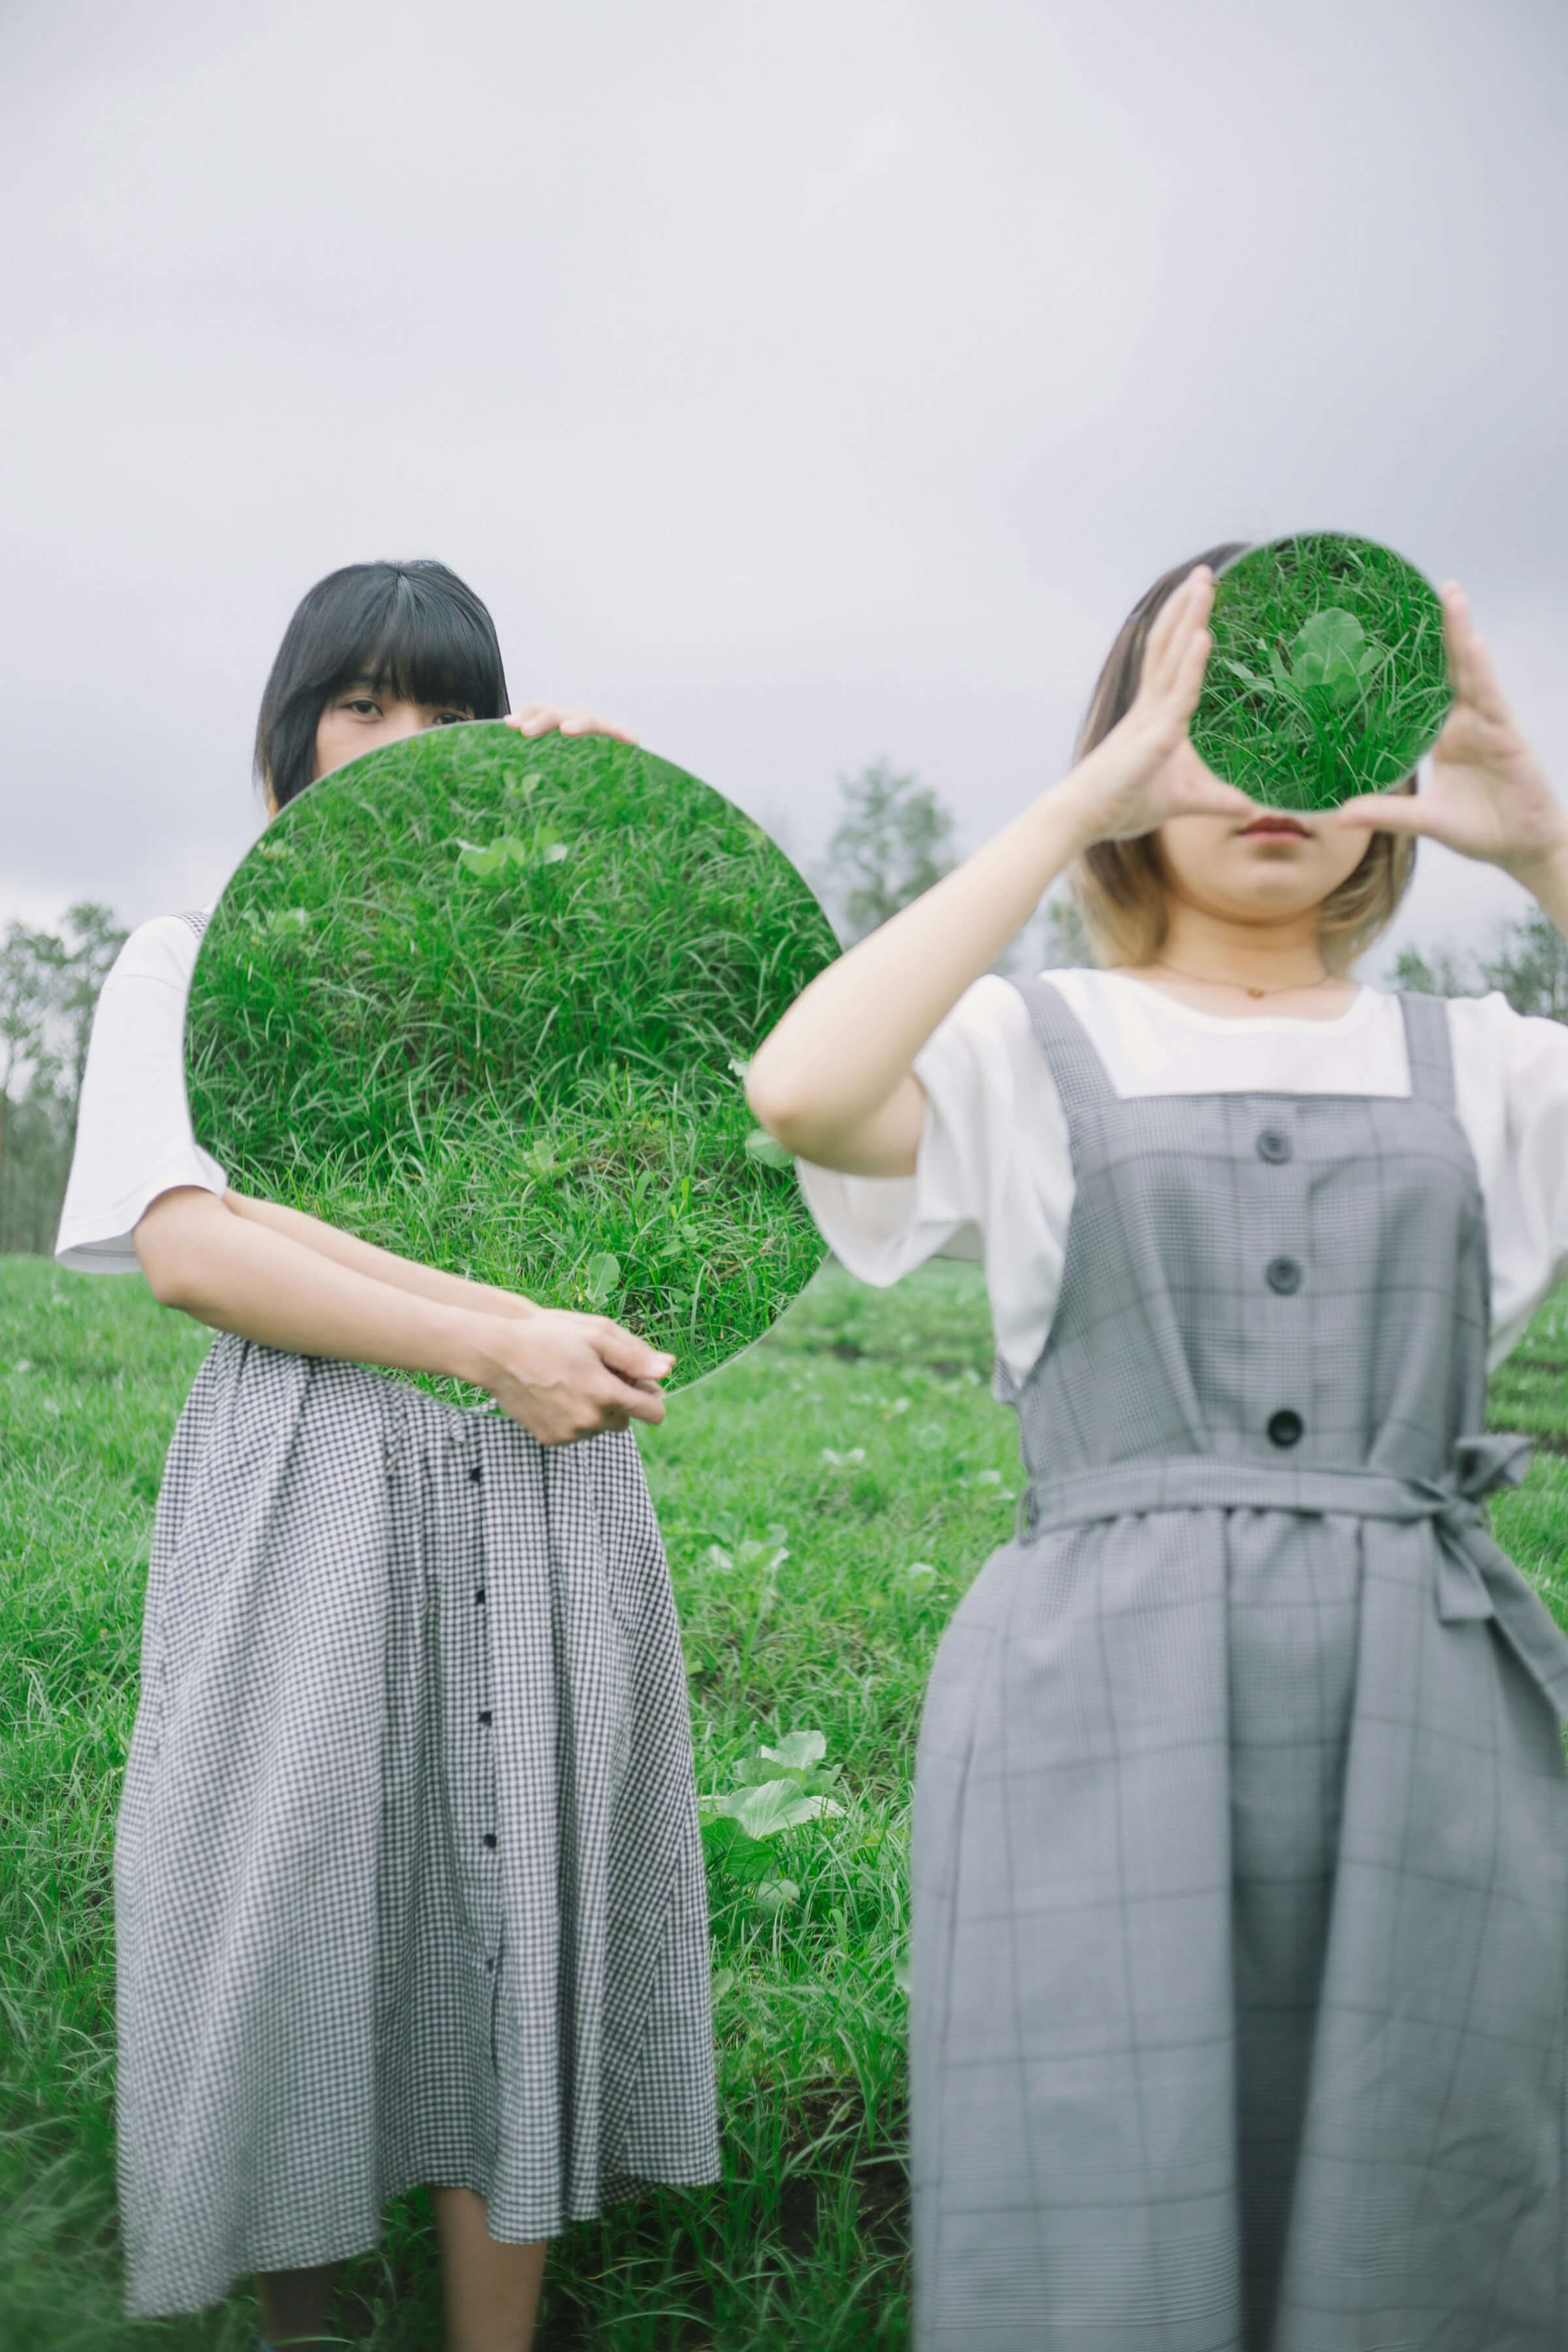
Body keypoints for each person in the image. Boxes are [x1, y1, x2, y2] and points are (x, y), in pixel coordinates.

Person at [745, 546, 1568, 2347]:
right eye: (1219, 718)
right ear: (1134, 754)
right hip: (1086, 1719)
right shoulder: (1026, 1044)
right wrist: (1073, 811)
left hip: (1431, 1724)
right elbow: (802, 1087)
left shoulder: (1496, 1065)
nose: (1272, 776)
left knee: (1429, 2213)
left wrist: (1543, 847)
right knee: (1094, 2215)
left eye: (1324, 724)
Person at [56, 559, 719, 2352]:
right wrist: (486, 1335)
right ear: (293, 735)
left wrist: (633, 842)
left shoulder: (552, 985)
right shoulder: (188, 965)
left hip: (549, 1476)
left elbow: (736, 1118)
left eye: (449, 712)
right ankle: (307, 2319)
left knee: (517, 1892)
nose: (402, 743)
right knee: (286, 1874)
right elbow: (193, 1245)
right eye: (364, 705)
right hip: (309, 1470)